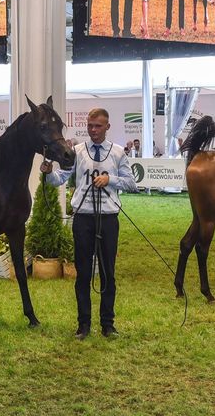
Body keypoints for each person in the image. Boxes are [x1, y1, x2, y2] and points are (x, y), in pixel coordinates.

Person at [41, 108, 137, 339]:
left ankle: (108, 324)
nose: (93, 130)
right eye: (90, 126)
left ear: (107, 127)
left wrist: (110, 180)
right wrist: (48, 173)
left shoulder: (117, 153)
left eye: (98, 126)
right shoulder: (77, 151)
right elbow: (60, 179)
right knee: (83, 274)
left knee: (108, 274)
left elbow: (132, 184)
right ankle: (83, 325)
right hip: (82, 218)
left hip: (108, 218)